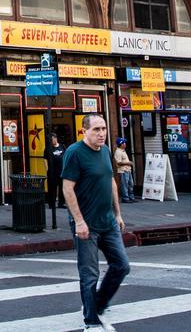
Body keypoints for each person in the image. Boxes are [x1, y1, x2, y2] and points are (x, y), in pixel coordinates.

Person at [62, 114, 130, 332]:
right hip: (86, 225)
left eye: (103, 129)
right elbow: (67, 188)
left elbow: (110, 181)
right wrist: (79, 221)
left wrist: (118, 213)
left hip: (108, 222)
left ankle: (98, 304)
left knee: (121, 266)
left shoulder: (105, 151)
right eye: (96, 130)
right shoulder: (74, 153)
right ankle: (91, 321)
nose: (102, 133)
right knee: (89, 273)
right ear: (84, 131)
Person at [47, 133, 67, 210]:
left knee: (62, 188)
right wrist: (47, 169)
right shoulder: (49, 148)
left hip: (62, 171)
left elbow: (66, 156)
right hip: (53, 172)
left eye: (53, 139)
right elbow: (45, 159)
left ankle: (61, 203)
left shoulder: (62, 146)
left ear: (56, 138)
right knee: (53, 188)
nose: (52, 141)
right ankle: (51, 204)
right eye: (51, 140)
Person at [114, 138, 136, 203]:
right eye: (123, 143)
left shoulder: (123, 151)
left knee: (130, 184)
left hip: (127, 170)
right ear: (120, 144)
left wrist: (128, 163)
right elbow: (119, 162)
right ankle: (125, 198)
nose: (125, 144)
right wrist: (128, 163)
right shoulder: (118, 152)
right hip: (123, 170)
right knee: (125, 185)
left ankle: (131, 197)